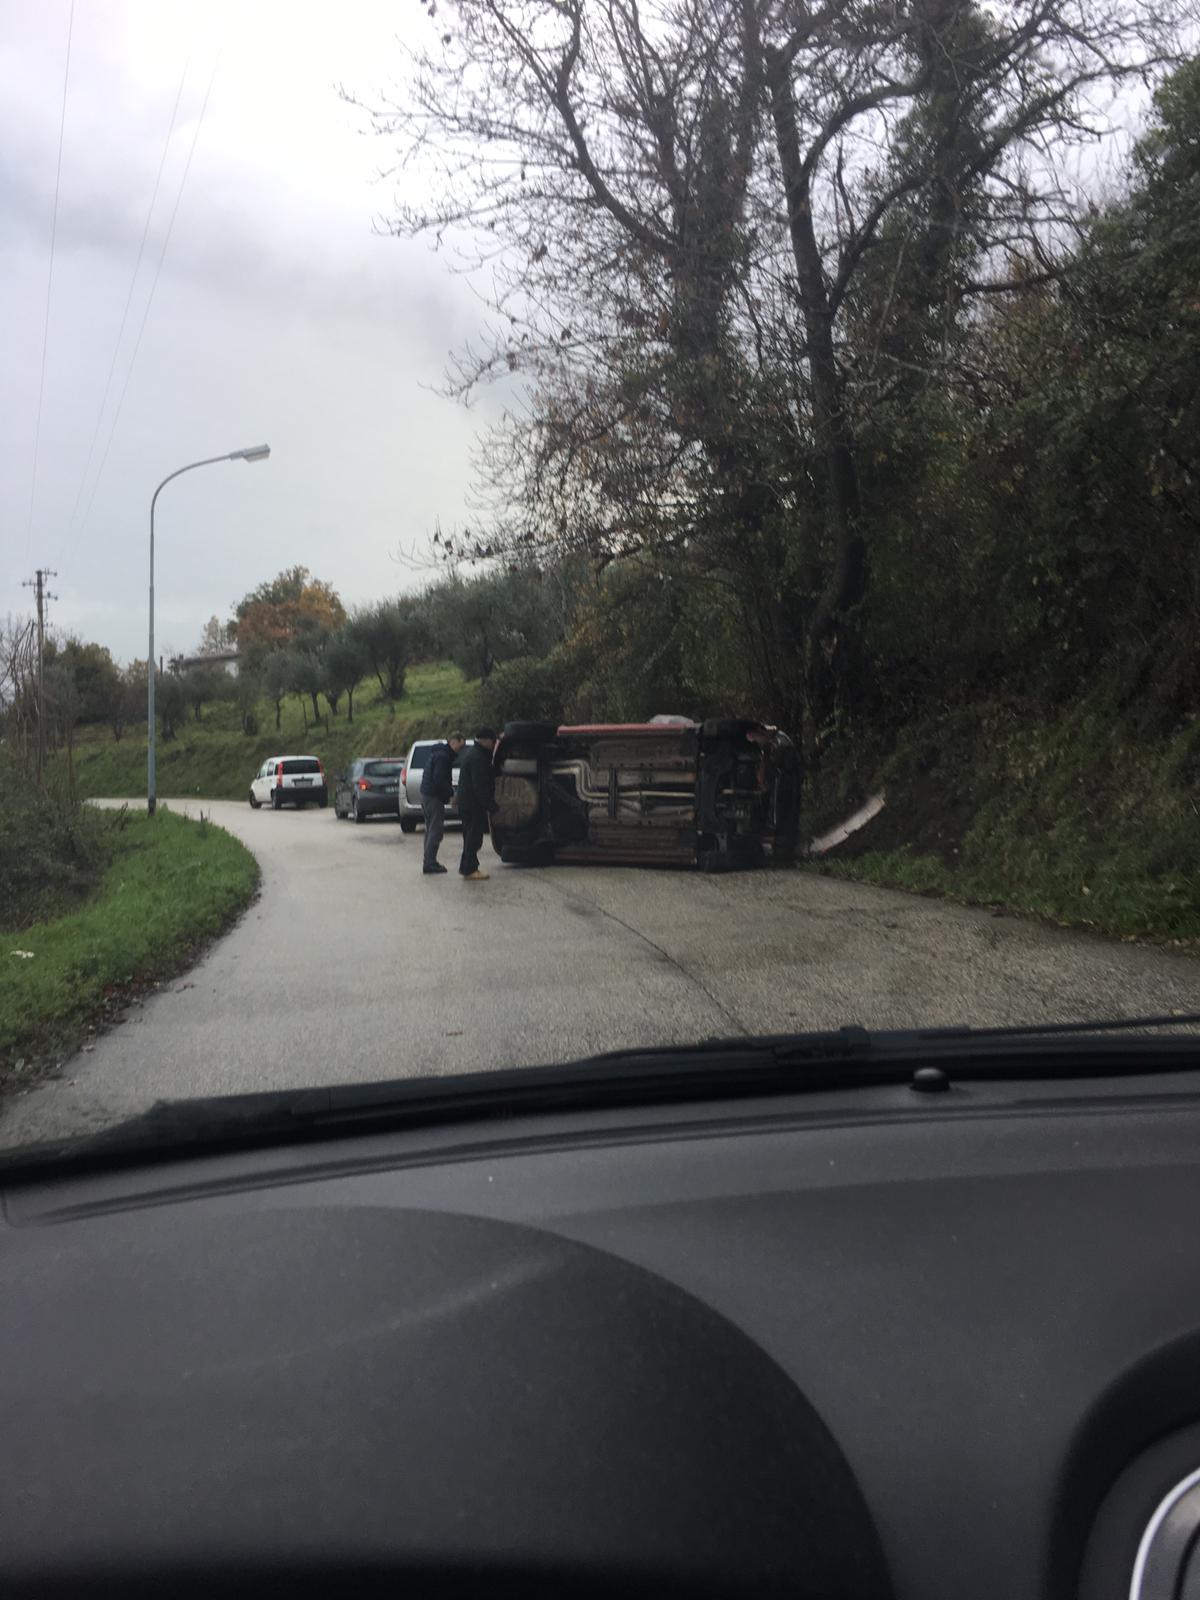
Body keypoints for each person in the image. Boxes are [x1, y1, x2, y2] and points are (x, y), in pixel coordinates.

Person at [455, 727, 499, 881]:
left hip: (468, 803)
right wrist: (491, 805)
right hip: (472, 804)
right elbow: (480, 785)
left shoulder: (475, 754)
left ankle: (466, 866)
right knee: (473, 837)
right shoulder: (477, 758)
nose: (494, 745)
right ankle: (470, 869)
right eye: (493, 742)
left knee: (470, 837)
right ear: (485, 741)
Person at [419, 731, 465, 875]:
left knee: (430, 828)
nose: (461, 749)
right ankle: (430, 863)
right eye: (461, 745)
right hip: (433, 796)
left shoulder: (439, 754)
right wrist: (450, 794)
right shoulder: (443, 757)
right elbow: (439, 779)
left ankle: (428, 860)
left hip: (427, 794)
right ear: (454, 741)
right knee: (435, 830)